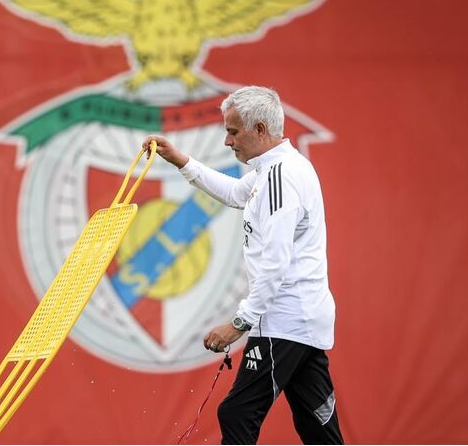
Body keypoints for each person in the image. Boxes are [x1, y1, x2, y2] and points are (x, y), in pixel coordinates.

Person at [143, 86, 342, 444]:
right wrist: (181, 160)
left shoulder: (280, 176)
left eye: (233, 131)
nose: (227, 141)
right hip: (302, 321)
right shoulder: (276, 169)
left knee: (237, 412)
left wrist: (239, 324)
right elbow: (236, 193)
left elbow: (276, 263)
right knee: (318, 428)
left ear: (260, 129)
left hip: (285, 320)